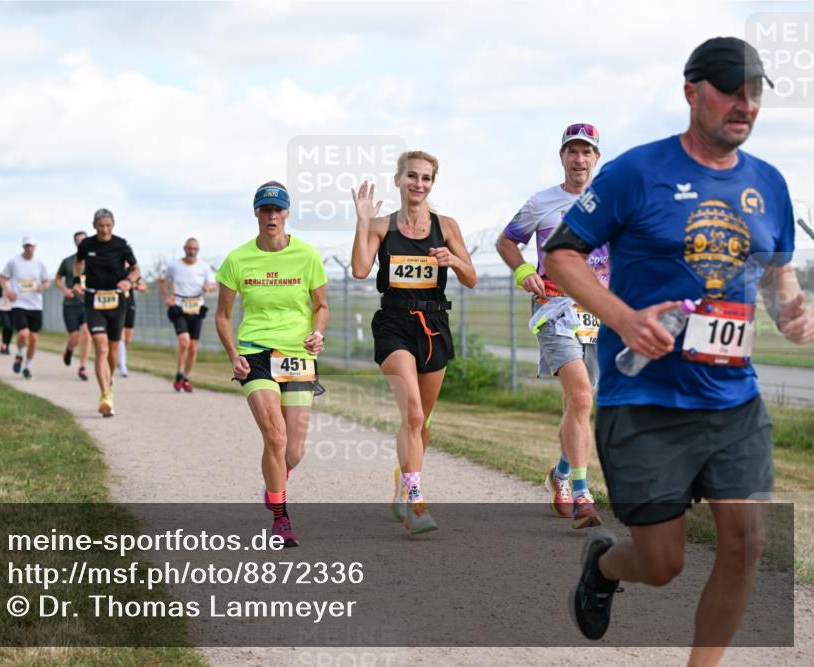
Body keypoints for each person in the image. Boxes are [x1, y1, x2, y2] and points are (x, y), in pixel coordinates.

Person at [544, 37, 813, 663]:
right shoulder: (637, 172)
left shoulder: (769, 183)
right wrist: (621, 316)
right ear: (692, 92)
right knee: (661, 563)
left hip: (732, 398)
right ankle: (607, 566)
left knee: (745, 544)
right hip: (645, 397)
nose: (744, 104)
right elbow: (562, 252)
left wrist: (790, 308)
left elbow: (777, 273)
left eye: (754, 92)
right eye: (730, 89)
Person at [351, 151, 477, 534]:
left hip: (434, 325)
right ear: (399, 180)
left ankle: (402, 483)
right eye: (412, 176)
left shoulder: (447, 226)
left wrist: (452, 261)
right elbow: (359, 270)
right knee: (414, 414)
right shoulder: (379, 225)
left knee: (423, 425)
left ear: (432, 184)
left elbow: (471, 278)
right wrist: (360, 223)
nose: (418, 184)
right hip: (393, 325)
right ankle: (417, 503)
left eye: (425, 178)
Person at [495, 123, 608, 529]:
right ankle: (581, 493)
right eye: (572, 151)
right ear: (561, 157)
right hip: (555, 307)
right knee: (580, 398)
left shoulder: (612, 203)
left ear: (597, 158)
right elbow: (507, 241)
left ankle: (561, 473)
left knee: (580, 403)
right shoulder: (541, 202)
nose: (579, 159)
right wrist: (524, 268)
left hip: (597, 313)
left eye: (587, 152)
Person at [215, 182, 329, 547]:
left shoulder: (308, 256)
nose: (272, 216)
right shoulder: (237, 259)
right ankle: (281, 518)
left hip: (296, 354)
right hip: (256, 353)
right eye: (266, 210)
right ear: (256, 214)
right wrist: (235, 354)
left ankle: (274, 486)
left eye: (278, 210)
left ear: (287, 213)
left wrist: (317, 332)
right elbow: (222, 315)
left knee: (293, 451)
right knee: (275, 436)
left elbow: (321, 306)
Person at [73, 209, 139, 416]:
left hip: (116, 301)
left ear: (113, 225)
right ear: (94, 226)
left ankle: (108, 380)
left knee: (112, 350)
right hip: (94, 300)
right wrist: (76, 281)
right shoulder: (87, 245)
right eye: (100, 225)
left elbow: (136, 269)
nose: (104, 229)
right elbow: (77, 262)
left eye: (108, 225)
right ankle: (105, 395)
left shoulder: (121, 244)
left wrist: (128, 281)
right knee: (100, 346)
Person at [161, 237, 218, 391]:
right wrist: (167, 297)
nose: (192, 251)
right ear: (184, 248)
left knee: (193, 347)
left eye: (195, 249)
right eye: (189, 248)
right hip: (179, 307)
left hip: (196, 308)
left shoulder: (204, 267)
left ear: (198, 250)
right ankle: (179, 372)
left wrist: (209, 287)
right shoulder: (174, 265)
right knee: (184, 342)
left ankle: (185, 376)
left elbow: (213, 284)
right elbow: (162, 279)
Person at [0, 236, 50, 379]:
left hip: (35, 305)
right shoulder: (14, 262)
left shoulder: (40, 263)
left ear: (35, 247)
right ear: (23, 247)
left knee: (33, 338)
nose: (29, 248)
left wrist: (42, 286)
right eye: (27, 246)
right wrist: (8, 291)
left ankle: (27, 366)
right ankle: (20, 353)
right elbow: (2, 277)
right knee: (24, 333)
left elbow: (47, 282)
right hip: (19, 304)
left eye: (31, 246)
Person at [55, 231, 91, 381]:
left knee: (87, 335)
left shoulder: (93, 260)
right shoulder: (68, 261)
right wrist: (65, 290)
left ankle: (82, 367)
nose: (81, 243)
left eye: (84, 240)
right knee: (75, 337)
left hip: (87, 303)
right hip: (70, 304)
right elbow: (57, 279)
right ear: (75, 243)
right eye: (78, 241)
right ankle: (69, 350)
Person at [117, 275, 147, 378]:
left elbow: (143, 287)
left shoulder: (132, 273)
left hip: (130, 304)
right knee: (121, 335)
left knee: (128, 338)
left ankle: (121, 352)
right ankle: (123, 365)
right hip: (117, 303)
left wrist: (133, 286)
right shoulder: (115, 267)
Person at [0, 281, 14, 355]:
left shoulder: (16, 281)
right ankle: (4, 344)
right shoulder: (3, 281)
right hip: (3, 307)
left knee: (11, 328)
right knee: (7, 326)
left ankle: (7, 345)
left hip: (13, 307)